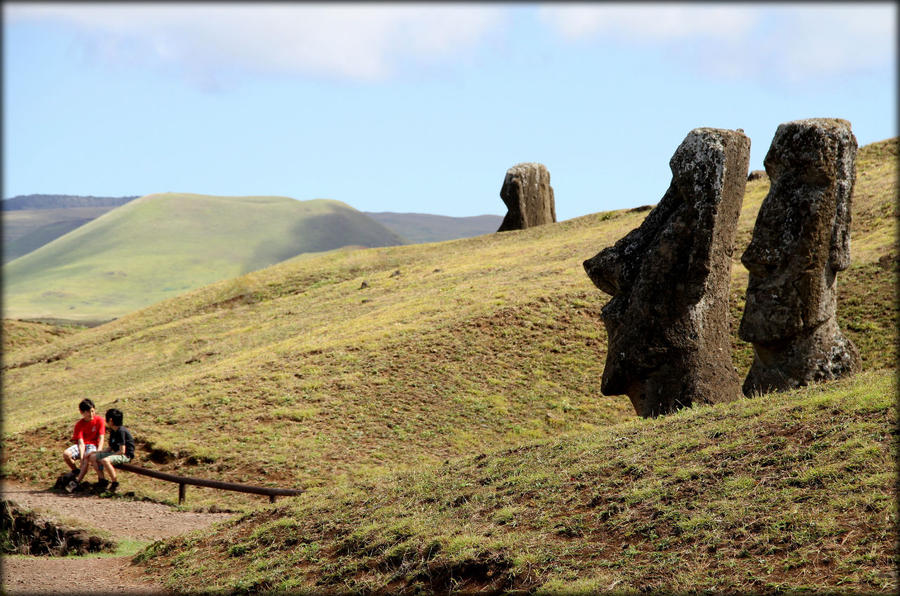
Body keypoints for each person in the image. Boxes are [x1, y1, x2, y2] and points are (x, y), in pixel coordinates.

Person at [86, 408, 135, 494]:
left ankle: (115, 483)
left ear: (111, 420)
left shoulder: (121, 431)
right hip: (116, 453)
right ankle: (102, 480)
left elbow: (122, 451)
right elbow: (110, 448)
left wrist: (108, 457)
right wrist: (96, 452)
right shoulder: (113, 431)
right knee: (93, 457)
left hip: (125, 455)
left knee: (105, 460)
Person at [62, 398, 105, 492]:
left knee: (87, 457)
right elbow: (81, 443)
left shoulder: (100, 420)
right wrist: (81, 458)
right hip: (82, 445)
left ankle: (77, 482)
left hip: (93, 445)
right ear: (82, 412)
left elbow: (101, 437)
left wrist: (99, 451)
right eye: (88, 412)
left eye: (93, 411)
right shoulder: (79, 425)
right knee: (66, 454)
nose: (91, 414)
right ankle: (76, 471)